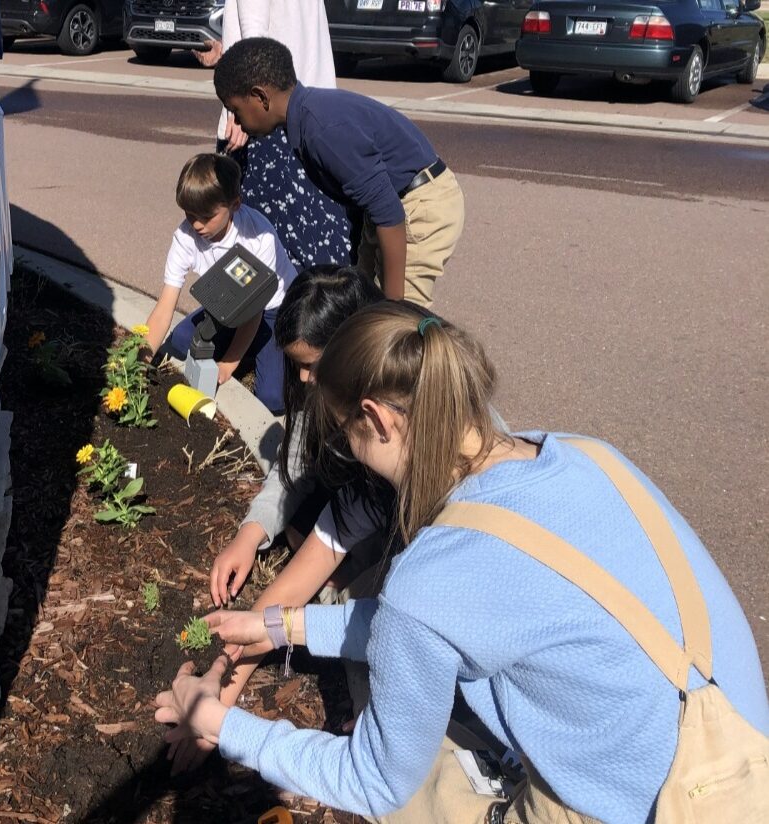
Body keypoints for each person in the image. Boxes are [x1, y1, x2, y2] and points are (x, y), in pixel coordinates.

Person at [155, 301, 769, 822]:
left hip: (649, 806)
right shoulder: (583, 454)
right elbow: (441, 621)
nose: (350, 449)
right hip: (739, 752)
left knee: (420, 792)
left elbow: (374, 780)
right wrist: (284, 626)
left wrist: (217, 720)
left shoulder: (434, 573)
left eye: (346, 432)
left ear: (378, 419)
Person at [166, 266, 388, 775]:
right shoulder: (343, 408)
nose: (305, 381)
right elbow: (303, 557)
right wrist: (222, 682)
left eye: (312, 366)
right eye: (298, 368)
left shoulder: (392, 462)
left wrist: (221, 716)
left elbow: (374, 779)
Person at [213, 37, 466, 307]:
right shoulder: (305, 116)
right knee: (361, 305)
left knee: (395, 328)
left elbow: (390, 214)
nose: (236, 121)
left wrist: (392, 309)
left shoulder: (322, 130)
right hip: (395, 203)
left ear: (261, 97)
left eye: (236, 111)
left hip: (418, 206)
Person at [193, 1, 352, 273]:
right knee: (311, 239)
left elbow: (255, 47)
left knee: (253, 249)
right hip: (302, 110)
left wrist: (240, 113)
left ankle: (268, 314)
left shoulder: (250, 107)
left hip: (262, 119)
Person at [144, 152, 297, 414]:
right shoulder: (185, 236)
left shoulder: (257, 239)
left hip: (272, 310)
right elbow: (164, 306)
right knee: (181, 342)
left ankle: (277, 354)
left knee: (272, 399)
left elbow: (252, 312)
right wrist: (141, 360)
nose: (196, 224)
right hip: (227, 302)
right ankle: (251, 350)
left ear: (235, 204)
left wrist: (229, 362)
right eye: (189, 214)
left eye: (205, 216)